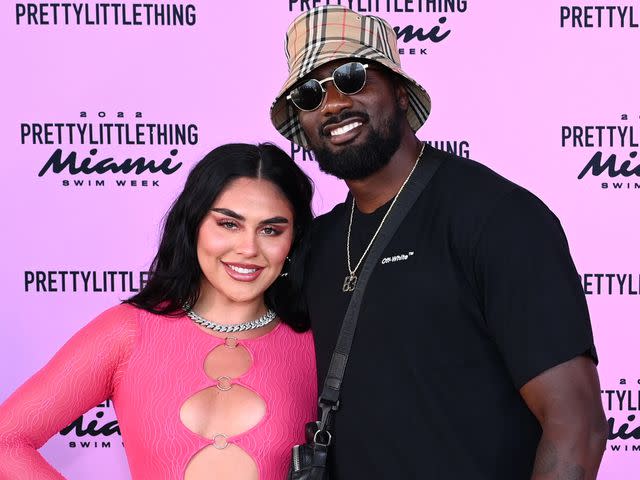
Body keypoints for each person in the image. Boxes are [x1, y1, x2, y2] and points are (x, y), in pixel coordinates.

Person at [270, 6, 608, 480]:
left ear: (402, 95)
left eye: (351, 78)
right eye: (308, 94)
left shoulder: (497, 218)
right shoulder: (320, 243)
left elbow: (578, 425)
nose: (332, 104)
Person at [0, 143, 317, 479]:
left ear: (293, 240)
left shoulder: (319, 341)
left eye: (271, 230)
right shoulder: (128, 332)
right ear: (193, 224)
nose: (248, 248)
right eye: (228, 224)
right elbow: (8, 439)